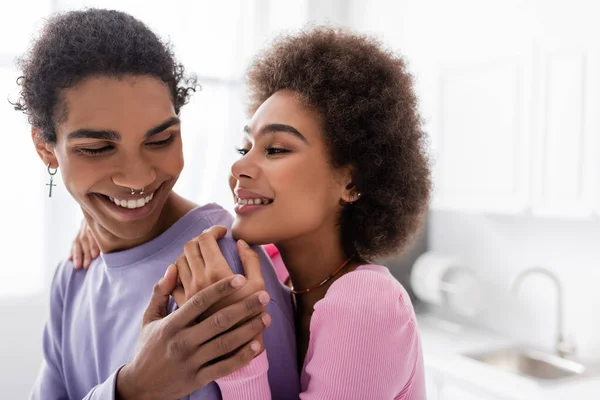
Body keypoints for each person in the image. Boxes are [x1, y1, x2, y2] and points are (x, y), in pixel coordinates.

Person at [74, 26, 431, 399]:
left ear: (351, 181)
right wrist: (106, 223)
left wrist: (240, 358)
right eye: (244, 148)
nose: (239, 168)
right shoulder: (276, 272)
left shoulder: (364, 300)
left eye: (276, 149)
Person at [13, 8, 299, 400]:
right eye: (98, 148)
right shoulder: (74, 278)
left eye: (160, 140)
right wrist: (131, 389)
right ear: (46, 150)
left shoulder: (225, 267)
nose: (138, 178)